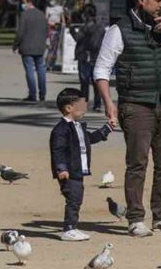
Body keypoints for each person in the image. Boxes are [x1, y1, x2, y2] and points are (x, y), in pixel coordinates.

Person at [94, 0, 161, 238]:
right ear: (142, 0)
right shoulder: (119, 30)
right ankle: (136, 218)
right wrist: (109, 104)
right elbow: (101, 70)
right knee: (137, 163)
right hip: (135, 105)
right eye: (158, 0)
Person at [49, 86, 113, 242]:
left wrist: (107, 129)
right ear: (69, 108)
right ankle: (69, 228)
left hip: (78, 170)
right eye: (82, 106)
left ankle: (72, 227)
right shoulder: (61, 130)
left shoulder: (78, 127)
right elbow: (58, 150)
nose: (85, 109)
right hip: (68, 171)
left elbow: (89, 139)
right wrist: (61, 168)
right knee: (74, 199)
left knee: (76, 198)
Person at [13, 0, 48, 102]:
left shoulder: (24, 15)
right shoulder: (42, 14)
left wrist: (15, 44)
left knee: (30, 71)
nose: (23, 4)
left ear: (29, 2)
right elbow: (46, 31)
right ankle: (42, 94)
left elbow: (20, 32)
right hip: (40, 47)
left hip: (27, 47)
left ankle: (32, 94)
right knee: (41, 70)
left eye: (24, 2)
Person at [74, 7, 105, 110]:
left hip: (84, 56)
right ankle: (97, 104)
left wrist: (71, 31)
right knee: (96, 83)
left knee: (84, 82)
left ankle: (84, 103)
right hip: (96, 57)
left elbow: (78, 39)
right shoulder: (101, 28)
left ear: (86, 15)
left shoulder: (84, 27)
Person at [45, 0, 65, 67]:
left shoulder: (60, 8)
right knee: (50, 46)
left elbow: (62, 17)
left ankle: (52, 62)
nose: (52, 1)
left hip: (58, 27)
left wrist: (63, 23)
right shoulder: (48, 8)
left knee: (56, 46)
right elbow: (46, 18)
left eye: (53, 0)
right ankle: (47, 62)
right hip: (50, 28)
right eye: (51, 0)